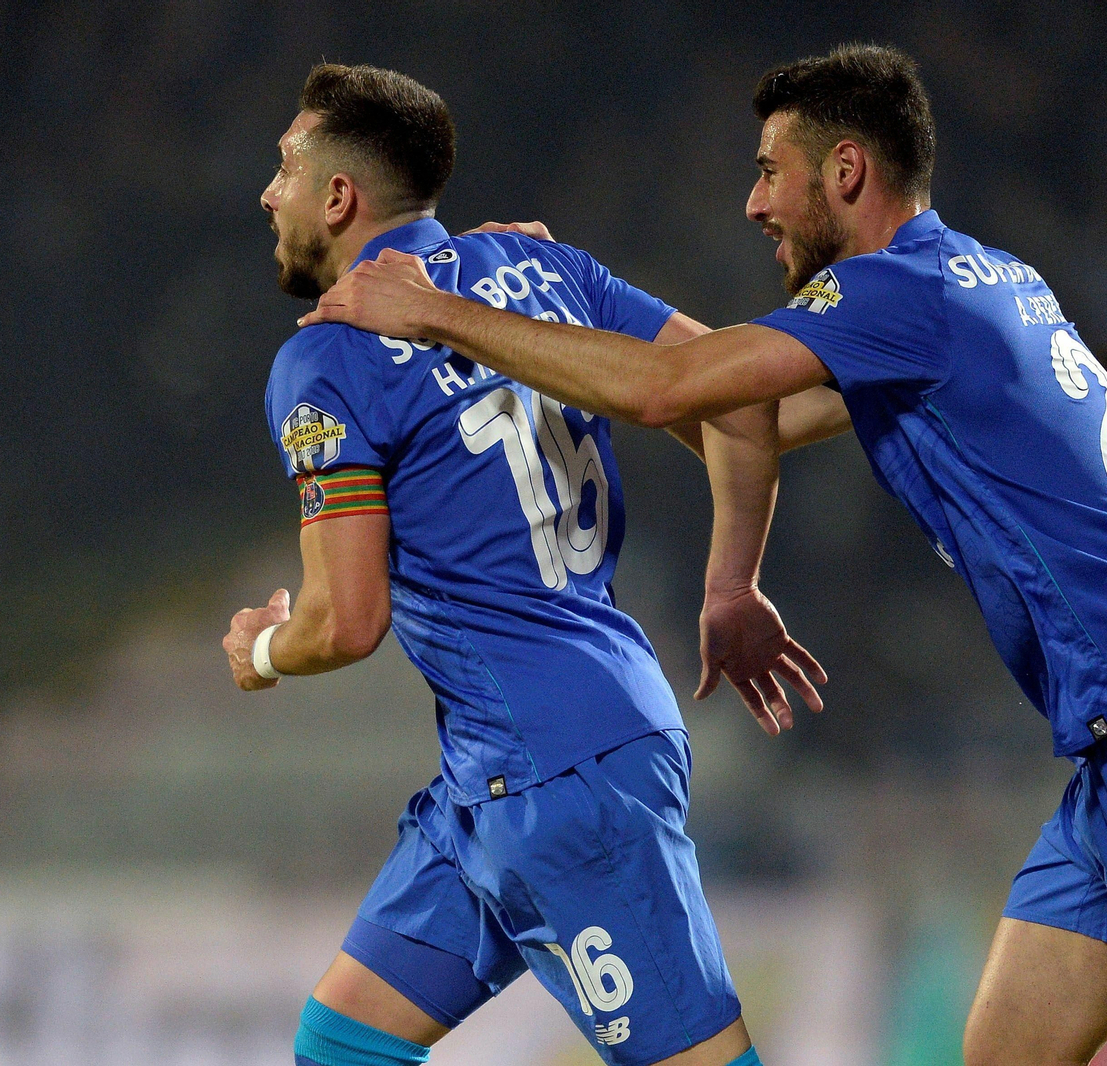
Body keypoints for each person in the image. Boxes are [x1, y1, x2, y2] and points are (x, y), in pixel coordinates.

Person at [296, 43, 1107, 1065]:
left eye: (772, 172)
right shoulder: (977, 278)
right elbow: (745, 407)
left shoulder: (895, 293)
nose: (755, 201)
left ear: (847, 170)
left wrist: (440, 309)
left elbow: (671, 386)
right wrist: (528, 295)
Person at [222, 62, 822, 1066]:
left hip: (555, 774)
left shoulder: (324, 361)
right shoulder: (539, 268)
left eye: (285, 165)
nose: (266, 192)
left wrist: (265, 649)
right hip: (508, 766)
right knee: (341, 1043)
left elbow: (347, 620)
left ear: (339, 197)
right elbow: (740, 394)